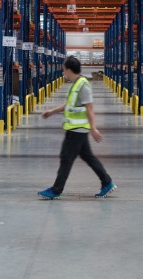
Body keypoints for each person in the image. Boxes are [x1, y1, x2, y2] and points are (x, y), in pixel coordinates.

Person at [38, 56, 116, 200]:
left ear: (69, 69)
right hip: (75, 129)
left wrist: (93, 128)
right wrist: (51, 112)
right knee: (88, 157)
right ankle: (107, 182)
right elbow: (69, 104)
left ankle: (56, 190)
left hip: (77, 129)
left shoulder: (83, 85)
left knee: (66, 159)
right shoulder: (76, 84)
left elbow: (90, 108)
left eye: (64, 70)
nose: (63, 73)